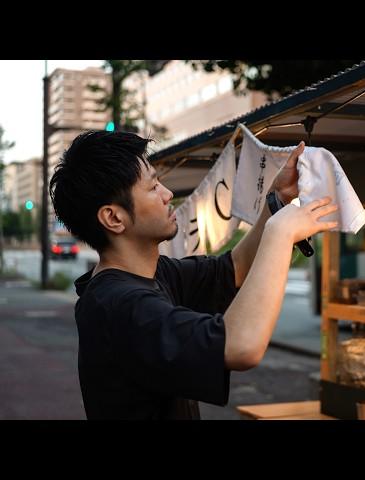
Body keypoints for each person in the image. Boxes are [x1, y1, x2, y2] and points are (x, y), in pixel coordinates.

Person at [49, 130, 338, 419]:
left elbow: (233, 268)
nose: (167, 194)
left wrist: (277, 201)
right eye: (152, 188)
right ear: (114, 218)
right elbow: (241, 346)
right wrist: (281, 233)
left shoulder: (154, 273)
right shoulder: (118, 305)